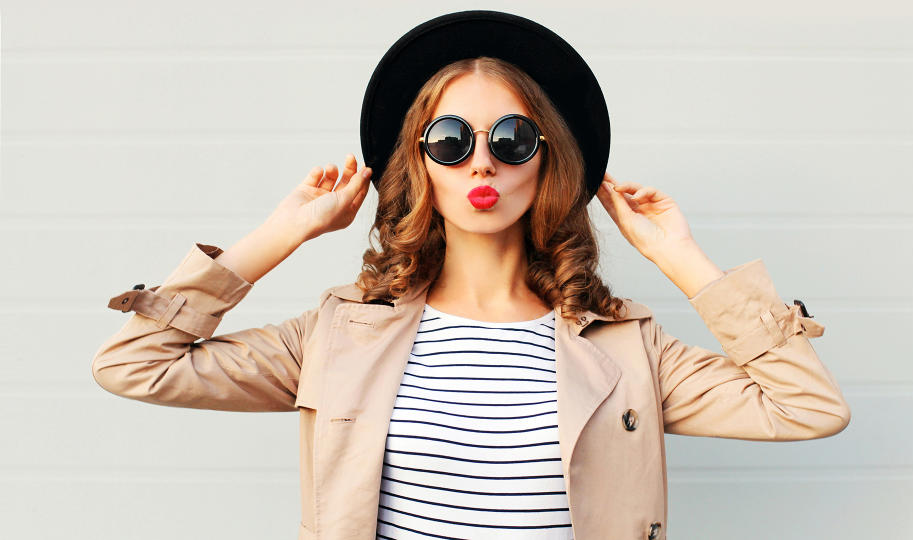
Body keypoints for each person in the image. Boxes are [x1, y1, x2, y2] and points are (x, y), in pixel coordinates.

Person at [92, 10, 850, 540]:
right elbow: (134, 364)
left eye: (513, 138)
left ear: (547, 160)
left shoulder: (627, 353)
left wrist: (680, 258)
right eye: (450, 139)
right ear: (418, 165)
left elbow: (806, 407)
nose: (481, 161)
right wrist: (278, 235)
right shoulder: (338, 335)